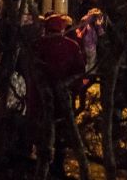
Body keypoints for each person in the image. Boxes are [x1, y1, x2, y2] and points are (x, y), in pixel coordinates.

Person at [32, 13, 86, 179]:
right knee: (61, 134)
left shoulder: (40, 45)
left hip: (45, 99)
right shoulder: (71, 46)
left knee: (45, 133)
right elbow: (79, 71)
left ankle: (45, 166)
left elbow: (33, 71)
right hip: (62, 98)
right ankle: (56, 166)